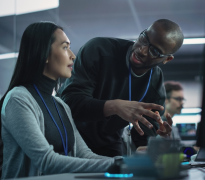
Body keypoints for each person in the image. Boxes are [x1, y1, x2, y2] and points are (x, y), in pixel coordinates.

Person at [0, 22, 121, 179]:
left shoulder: (61, 105)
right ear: (44, 54)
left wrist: (127, 162)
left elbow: (85, 155)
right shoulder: (18, 99)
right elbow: (47, 161)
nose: (72, 55)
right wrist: (120, 165)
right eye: (65, 47)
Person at [59, 19, 184, 157]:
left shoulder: (154, 81)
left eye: (154, 51)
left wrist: (156, 142)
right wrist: (115, 106)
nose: (142, 50)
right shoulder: (99, 50)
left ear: (167, 59)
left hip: (108, 142)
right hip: (69, 135)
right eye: (144, 39)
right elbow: (70, 103)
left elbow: (144, 134)